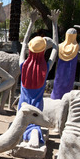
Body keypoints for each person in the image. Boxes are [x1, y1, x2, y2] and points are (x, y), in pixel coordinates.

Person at [17, 9, 60, 147]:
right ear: (43, 51)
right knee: (34, 125)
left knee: (21, 123)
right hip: (37, 107)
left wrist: (31, 22)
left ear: (30, 49)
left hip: (22, 105)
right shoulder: (45, 68)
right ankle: (34, 134)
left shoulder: (23, 66)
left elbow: (23, 43)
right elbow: (56, 47)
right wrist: (55, 23)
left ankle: (27, 136)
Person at [50, 25, 80, 100]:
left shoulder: (60, 46)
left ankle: (55, 99)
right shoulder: (76, 47)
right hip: (69, 76)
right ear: (75, 36)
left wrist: (54, 23)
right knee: (67, 91)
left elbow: (54, 39)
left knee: (57, 88)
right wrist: (79, 26)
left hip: (59, 76)